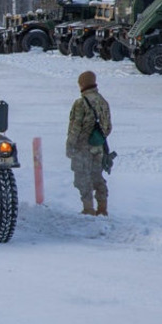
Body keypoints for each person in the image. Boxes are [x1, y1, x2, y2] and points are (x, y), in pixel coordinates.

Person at [66, 70, 112, 216]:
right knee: (97, 176)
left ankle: (88, 208)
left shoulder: (81, 103)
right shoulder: (103, 101)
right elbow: (108, 127)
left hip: (83, 147)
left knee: (83, 178)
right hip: (99, 147)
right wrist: (97, 138)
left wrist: (70, 146)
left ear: (82, 84)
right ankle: (102, 209)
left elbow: (75, 128)